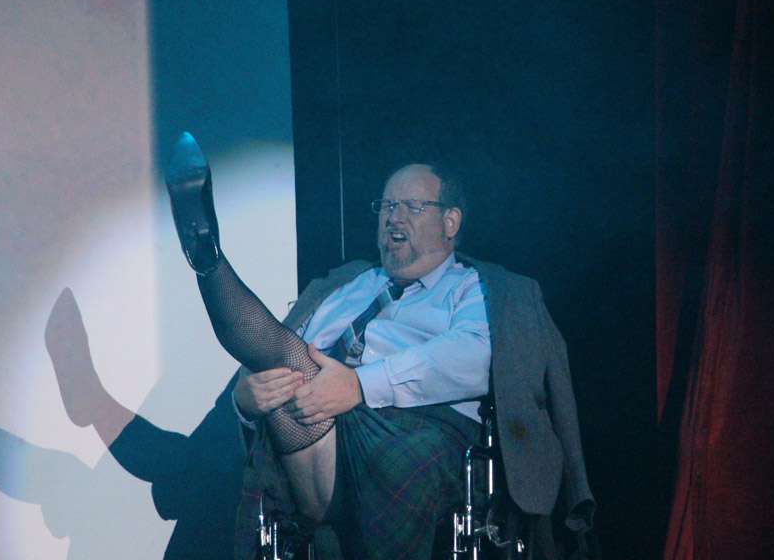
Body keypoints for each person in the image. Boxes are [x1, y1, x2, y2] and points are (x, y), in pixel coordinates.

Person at [165, 133, 595, 559]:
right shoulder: (343, 285)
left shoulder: (474, 286)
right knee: (277, 360)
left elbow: (473, 355)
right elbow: (286, 350)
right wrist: (246, 400)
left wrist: (360, 385)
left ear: (450, 222)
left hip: (416, 427)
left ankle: (211, 265)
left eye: (412, 206)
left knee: (398, 458)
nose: (394, 217)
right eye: (387, 206)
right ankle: (206, 255)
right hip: (316, 433)